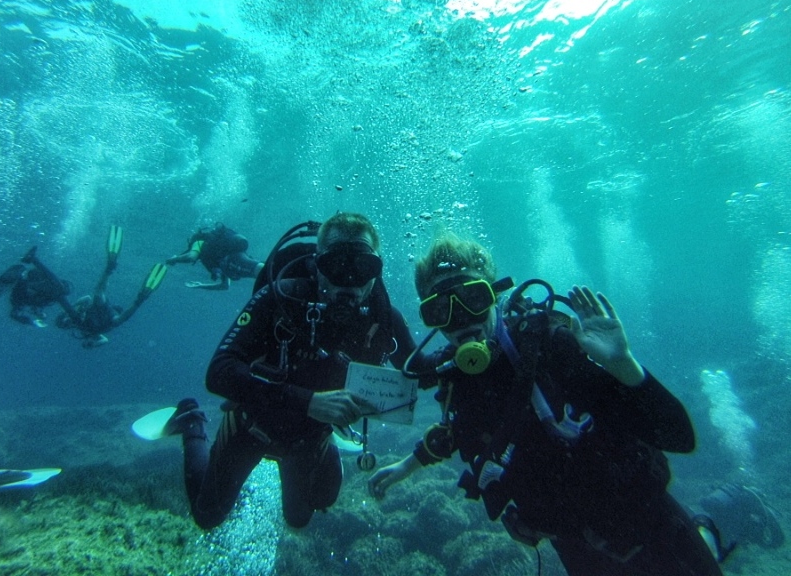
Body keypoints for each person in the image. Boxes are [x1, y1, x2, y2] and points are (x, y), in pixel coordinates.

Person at [367, 233, 783, 576]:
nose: (460, 320)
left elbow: (678, 436)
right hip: (570, 538)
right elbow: (458, 430)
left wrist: (623, 365)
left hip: (643, 520)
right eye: (441, 309)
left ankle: (724, 511)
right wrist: (407, 466)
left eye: (472, 299)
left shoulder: (550, 347)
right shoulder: (456, 378)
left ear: (494, 295)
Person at [162, 212, 436, 530]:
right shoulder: (280, 298)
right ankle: (192, 423)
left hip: (309, 436)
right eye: (336, 266)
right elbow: (220, 372)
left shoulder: (382, 318)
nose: (348, 281)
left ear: (375, 272)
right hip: (252, 425)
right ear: (318, 266)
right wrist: (309, 401)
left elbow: (423, 372)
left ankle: (326, 445)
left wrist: (474, 341)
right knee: (207, 517)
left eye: (362, 268)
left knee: (301, 517)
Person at [53, 225, 168, 348]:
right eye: (66, 325)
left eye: (65, 321)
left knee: (97, 295)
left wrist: (77, 306)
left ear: (65, 316)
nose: (68, 322)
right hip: (107, 321)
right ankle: (141, 298)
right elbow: (104, 339)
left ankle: (110, 267)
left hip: (99, 309)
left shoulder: (76, 311)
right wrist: (94, 343)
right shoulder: (84, 332)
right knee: (118, 321)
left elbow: (87, 298)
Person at [0, 247, 72, 328]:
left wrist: (33, 322)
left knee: (54, 287)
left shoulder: (44, 298)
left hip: (22, 295)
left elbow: (16, 313)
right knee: (56, 286)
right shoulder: (52, 291)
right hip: (23, 292)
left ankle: (26, 270)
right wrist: (34, 260)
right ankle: (26, 268)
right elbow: (50, 277)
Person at [166, 223, 263, 290]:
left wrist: (174, 259)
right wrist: (200, 285)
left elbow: (191, 257)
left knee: (260, 270)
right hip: (233, 260)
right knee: (261, 273)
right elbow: (225, 286)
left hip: (232, 260)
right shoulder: (215, 255)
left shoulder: (199, 242)